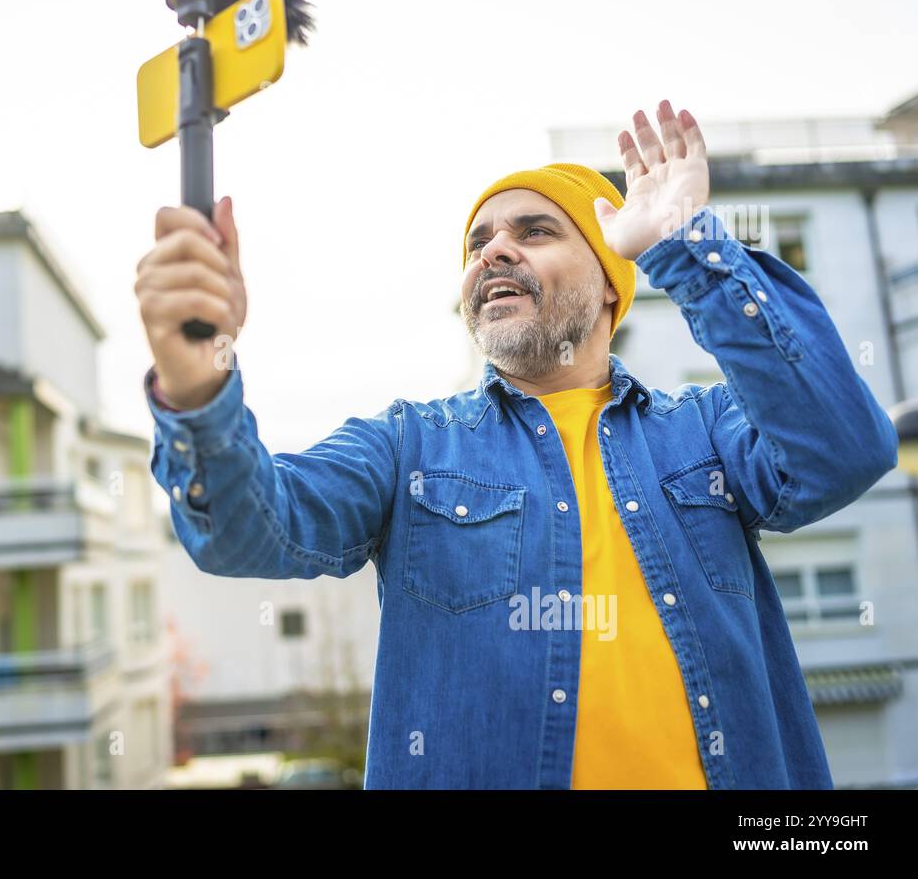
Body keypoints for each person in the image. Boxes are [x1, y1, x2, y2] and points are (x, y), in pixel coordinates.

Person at [132, 100, 898, 789]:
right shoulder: (410, 446)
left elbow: (844, 449)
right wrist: (199, 390)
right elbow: (249, 529)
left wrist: (683, 246)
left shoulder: (706, 430)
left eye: (534, 231)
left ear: (609, 283)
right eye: (478, 243)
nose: (493, 251)